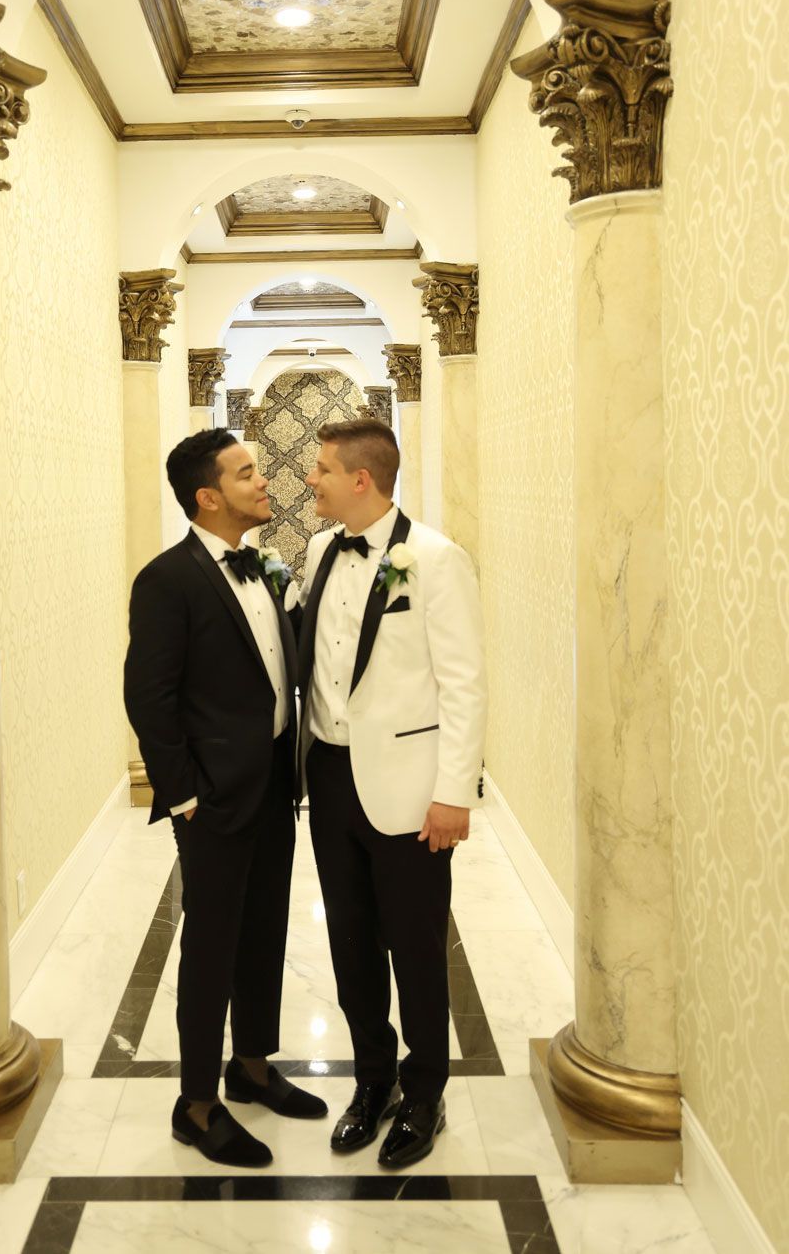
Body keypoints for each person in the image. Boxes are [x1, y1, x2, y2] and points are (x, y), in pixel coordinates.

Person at [124, 428, 326, 1169]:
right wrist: (182, 800)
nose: (263, 480)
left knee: (266, 928)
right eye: (247, 474)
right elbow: (149, 698)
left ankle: (253, 1066)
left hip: (275, 784)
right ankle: (197, 1103)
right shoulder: (167, 580)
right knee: (211, 950)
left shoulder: (263, 568)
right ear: (209, 497)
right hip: (212, 801)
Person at [297, 417, 487, 1170]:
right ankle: (370, 1082)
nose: (308, 479)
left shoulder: (436, 560)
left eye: (319, 468)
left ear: (360, 479)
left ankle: (425, 1093)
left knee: (414, 946)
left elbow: (465, 683)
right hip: (331, 778)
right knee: (349, 942)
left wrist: (455, 794)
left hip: (410, 791)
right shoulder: (317, 549)